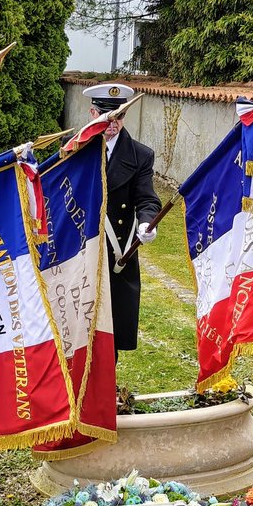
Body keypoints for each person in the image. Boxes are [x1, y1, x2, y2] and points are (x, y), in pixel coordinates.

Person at [82, 84, 161, 356]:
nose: (113, 124)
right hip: (83, 249)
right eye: (106, 116)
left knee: (112, 326)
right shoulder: (78, 149)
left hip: (117, 251)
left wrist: (147, 222)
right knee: (80, 322)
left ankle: (108, 375)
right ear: (93, 113)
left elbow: (147, 199)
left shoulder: (140, 155)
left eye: (119, 117)